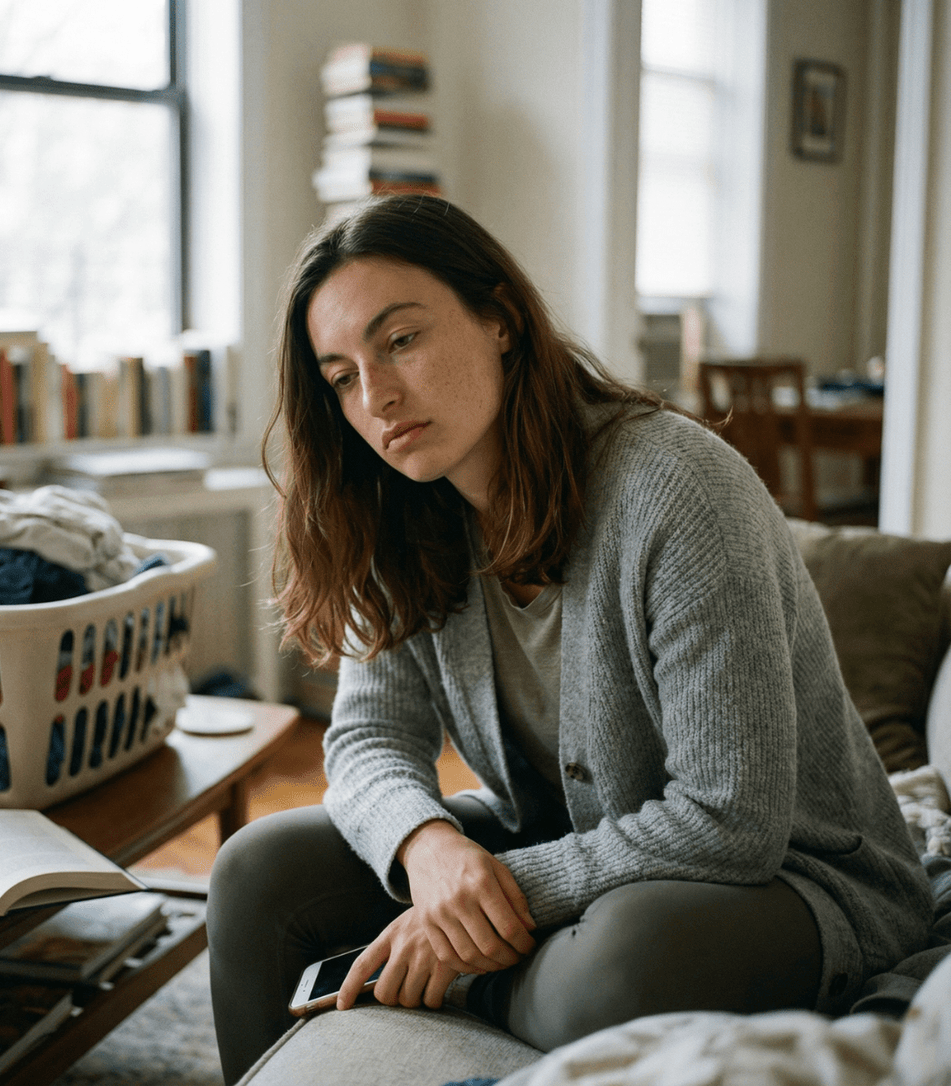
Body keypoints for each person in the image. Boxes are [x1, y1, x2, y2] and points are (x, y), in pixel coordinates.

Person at [207, 195, 932, 1083]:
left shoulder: (680, 490)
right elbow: (366, 739)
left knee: (625, 959)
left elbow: (730, 821)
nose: (378, 396)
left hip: (795, 879)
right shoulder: (396, 509)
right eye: (342, 376)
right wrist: (429, 851)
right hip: (562, 838)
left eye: (400, 341)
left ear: (501, 319)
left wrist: (477, 910)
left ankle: (447, 984)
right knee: (257, 870)